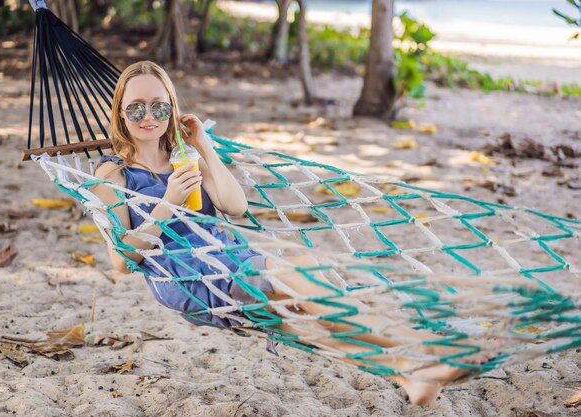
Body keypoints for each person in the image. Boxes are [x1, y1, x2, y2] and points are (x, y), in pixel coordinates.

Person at [92, 60, 491, 406]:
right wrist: (167, 204)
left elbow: (236, 207)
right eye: (137, 107)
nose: (149, 115)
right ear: (121, 112)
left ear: (172, 108)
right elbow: (121, 259)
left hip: (230, 258)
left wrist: (204, 145)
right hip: (188, 276)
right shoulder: (111, 173)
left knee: (301, 316)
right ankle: (425, 348)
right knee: (304, 271)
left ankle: (410, 375)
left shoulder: (185, 157)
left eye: (160, 105)